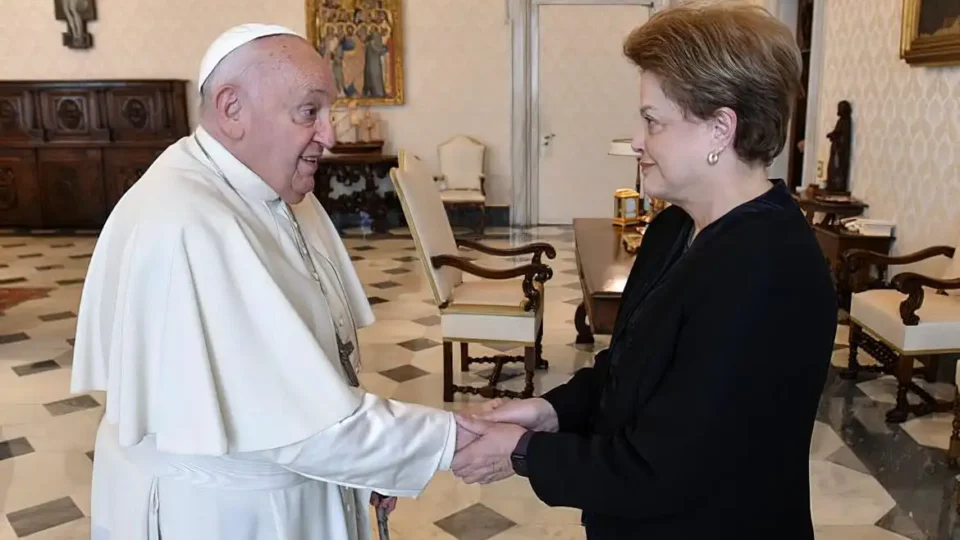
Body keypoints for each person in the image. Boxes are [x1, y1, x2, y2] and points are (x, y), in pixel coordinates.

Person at [71, 23, 477, 540]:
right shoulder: (188, 222)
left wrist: (372, 461)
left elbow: (306, 373)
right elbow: (300, 430)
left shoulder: (275, 190)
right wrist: (450, 441)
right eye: (310, 112)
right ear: (232, 109)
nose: (330, 135)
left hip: (295, 485)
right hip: (228, 515)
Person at [451, 3, 838, 539]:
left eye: (653, 120)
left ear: (720, 129)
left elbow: (666, 469)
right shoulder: (674, 230)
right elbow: (629, 371)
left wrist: (523, 454)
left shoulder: (767, 271)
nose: (636, 138)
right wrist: (547, 412)